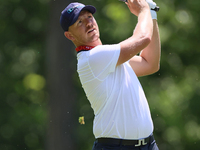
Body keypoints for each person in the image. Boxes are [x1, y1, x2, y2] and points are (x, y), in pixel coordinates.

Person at [60, 0, 161, 149]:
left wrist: (151, 15)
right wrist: (143, 10)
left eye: (89, 17)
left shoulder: (108, 58)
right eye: (79, 22)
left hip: (148, 145)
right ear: (70, 36)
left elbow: (150, 63)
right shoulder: (92, 58)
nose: (88, 23)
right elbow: (143, 38)